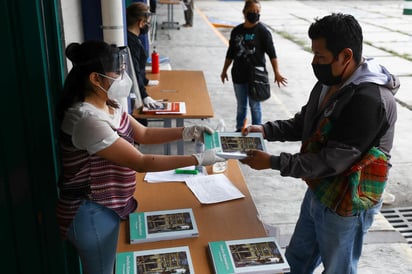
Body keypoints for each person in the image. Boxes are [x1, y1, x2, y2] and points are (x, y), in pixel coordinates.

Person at [240, 13, 399, 274]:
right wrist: (267, 130)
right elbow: (307, 121)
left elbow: (333, 160)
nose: (315, 62)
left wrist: (273, 162)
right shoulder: (331, 81)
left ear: (346, 56)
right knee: (297, 260)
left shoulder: (370, 101)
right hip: (319, 189)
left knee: (338, 269)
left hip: (347, 202)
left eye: (321, 56)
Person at [55, 40, 224, 274]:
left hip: (110, 206)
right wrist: (197, 159)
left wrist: (188, 131)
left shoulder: (108, 104)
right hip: (90, 211)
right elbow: (141, 161)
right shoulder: (87, 119)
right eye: (117, 71)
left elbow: (143, 133)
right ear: (95, 78)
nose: (123, 76)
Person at [220, 0, 287, 132]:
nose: (255, 14)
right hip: (238, 74)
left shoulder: (263, 31)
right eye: (252, 11)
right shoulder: (236, 31)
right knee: (241, 106)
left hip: (256, 77)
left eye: (258, 12)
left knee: (255, 105)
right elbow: (231, 52)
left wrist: (277, 72)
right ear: (245, 12)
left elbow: (272, 54)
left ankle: (257, 131)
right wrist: (224, 70)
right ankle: (240, 129)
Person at [126, 2, 159, 126]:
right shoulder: (132, 43)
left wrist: (145, 81)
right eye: (146, 22)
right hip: (134, 93)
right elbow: (133, 71)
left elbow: (139, 68)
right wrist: (144, 95)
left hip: (138, 87)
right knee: (141, 124)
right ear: (140, 23)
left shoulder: (134, 39)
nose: (147, 26)